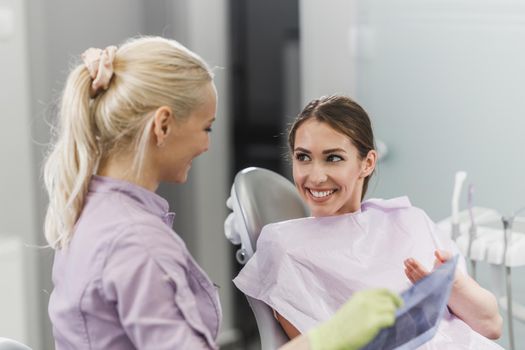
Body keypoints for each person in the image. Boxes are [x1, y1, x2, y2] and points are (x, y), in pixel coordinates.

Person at [43, 36, 402, 350]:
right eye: (206, 127)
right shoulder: (138, 243)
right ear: (163, 124)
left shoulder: (92, 208)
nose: (206, 145)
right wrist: (327, 338)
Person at [233, 95, 504, 349]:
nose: (315, 176)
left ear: (367, 163)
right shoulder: (286, 247)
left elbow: (490, 325)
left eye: (333, 158)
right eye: (303, 157)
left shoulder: (409, 220)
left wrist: (449, 286)